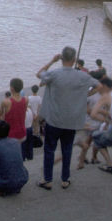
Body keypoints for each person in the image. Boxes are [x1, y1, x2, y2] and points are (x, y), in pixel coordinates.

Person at [36, 45, 96, 189]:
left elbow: (39, 74)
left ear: (61, 58)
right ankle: (65, 179)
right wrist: (83, 96)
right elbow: (98, 85)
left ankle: (48, 179)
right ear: (74, 59)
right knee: (67, 149)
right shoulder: (82, 76)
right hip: (71, 121)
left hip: (54, 119)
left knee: (49, 149)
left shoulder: (55, 74)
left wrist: (52, 61)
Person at [0, 119, 28, 196]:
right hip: (23, 179)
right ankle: (15, 185)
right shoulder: (16, 141)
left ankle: (1, 189)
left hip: (5, 184)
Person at [0, 78, 29, 155]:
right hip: (22, 133)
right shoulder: (26, 99)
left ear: (11, 88)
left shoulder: (6, 102)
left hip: (10, 135)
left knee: (9, 155)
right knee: (18, 152)